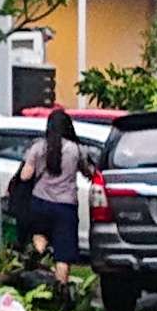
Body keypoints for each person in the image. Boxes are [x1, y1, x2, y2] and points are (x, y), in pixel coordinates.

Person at [8, 106, 93, 262]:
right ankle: (61, 284)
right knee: (63, 255)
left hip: (39, 203)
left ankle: (40, 261)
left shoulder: (38, 147)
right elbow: (88, 172)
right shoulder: (76, 149)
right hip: (65, 206)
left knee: (39, 236)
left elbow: (25, 176)